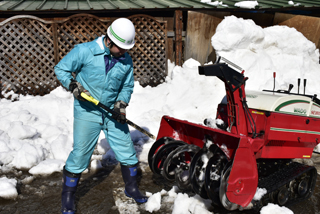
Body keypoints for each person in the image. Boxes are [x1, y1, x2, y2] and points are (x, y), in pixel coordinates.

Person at [54, 18, 148, 214]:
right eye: (120, 47)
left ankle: (131, 188)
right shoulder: (84, 51)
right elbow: (61, 68)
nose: (124, 52)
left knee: (127, 151)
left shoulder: (126, 59)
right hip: (87, 110)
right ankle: (68, 196)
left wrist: (121, 105)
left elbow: (127, 86)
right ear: (109, 40)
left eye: (126, 48)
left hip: (112, 112)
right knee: (80, 155)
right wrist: (73, 86)